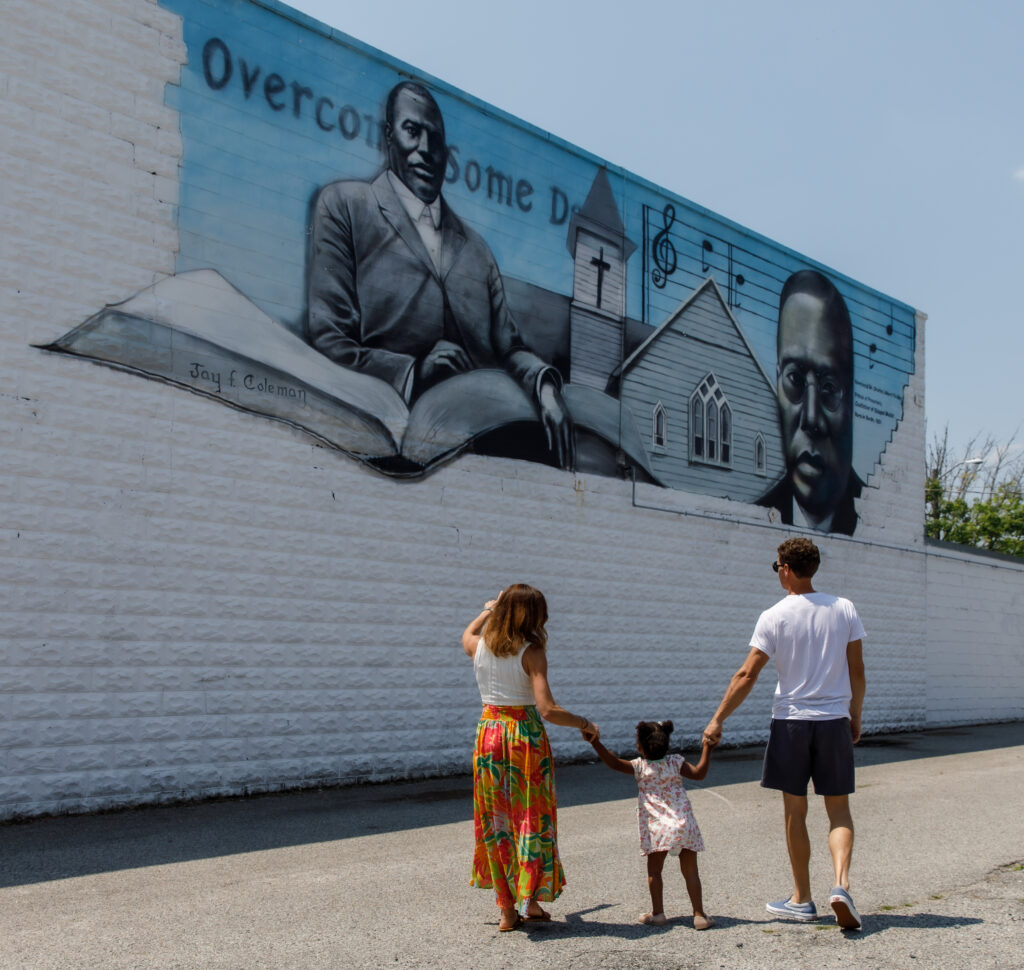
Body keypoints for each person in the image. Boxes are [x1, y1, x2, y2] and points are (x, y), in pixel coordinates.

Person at [307, 80, 574, 468]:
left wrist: (545, 387)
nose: (426, 151)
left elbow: (510, 348)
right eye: (412, 131)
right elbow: (329, 340)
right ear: (388, 137)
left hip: (486, 448)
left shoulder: (477, 249)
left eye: (436, 140)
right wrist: (415, 372)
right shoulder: (345, 207)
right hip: (379, 450)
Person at [703, 537, 866, 930]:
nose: (777, 572)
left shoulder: (774, 615)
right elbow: (857, 671)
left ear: (787, 569)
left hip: (791, 722)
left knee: (796, 812)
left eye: (776, 566)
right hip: (833, 721)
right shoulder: (844, 609)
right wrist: (854, 715)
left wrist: (718, 718)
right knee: (839, 809)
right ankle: (841, 886)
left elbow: (747, 674)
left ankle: (802, 899)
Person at [461, 584, 598, 932]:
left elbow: (468, 633)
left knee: (497, 822)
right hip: (524, 738)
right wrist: (585, 723)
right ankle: (531, 900)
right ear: (531, 616)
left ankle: (509, 909)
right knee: (531, 820)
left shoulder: (478, 647)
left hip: (489, 734)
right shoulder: (531, 652)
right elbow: (548, 710)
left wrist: (488, 610)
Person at [757, 269, 863, 535]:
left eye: (829, 387)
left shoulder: (875, 519)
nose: (811, 418)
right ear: (778, 379)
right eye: (794, 379)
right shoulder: (755, 515)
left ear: (850, 399)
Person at [589, 720, 717, 930]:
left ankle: (658, 913)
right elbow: (699, 774)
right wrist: (707, 748)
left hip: (658, 829)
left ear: (639, 747)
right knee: (691, 872)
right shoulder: (676, 762)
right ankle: (700, 915)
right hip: (684, 824)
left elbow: (613, 762)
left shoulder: (639, 766)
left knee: (654, 872)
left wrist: (596, 743)